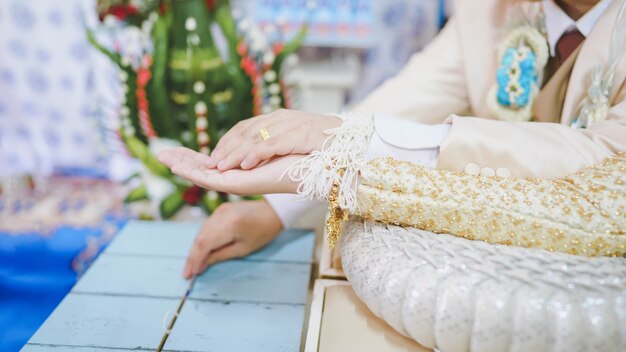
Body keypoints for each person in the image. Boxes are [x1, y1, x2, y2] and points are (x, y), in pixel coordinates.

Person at [167, 0, 626, 279]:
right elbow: (403, 102)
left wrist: (347, 140)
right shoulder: (487, 11)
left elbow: (607, 158)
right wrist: (275, 208)